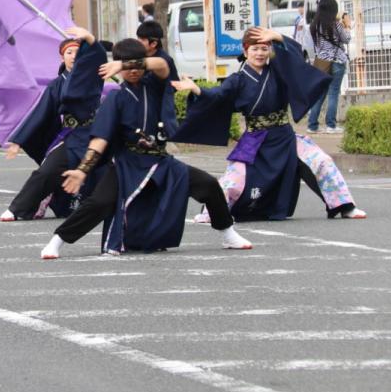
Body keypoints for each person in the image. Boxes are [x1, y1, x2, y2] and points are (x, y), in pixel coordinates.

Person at [38, 38, 253, 259]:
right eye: (124, 65)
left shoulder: (155, 86)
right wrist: (83, 170)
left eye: (136, 64)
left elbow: (162, 65)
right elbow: (100, 139)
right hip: (127, 163)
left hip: (159, 161)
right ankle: (57, 241)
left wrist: (124, 63)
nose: (132, 70)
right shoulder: (115, 98)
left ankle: (228, 233)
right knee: (99, 203)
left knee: (207, 184)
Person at [172, 27, 367, 223]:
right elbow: (218, 96)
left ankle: (344, 206)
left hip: (284, 135)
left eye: (264, 48)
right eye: (255, 49)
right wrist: (197, 89)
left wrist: (278, 37)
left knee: (321, 161)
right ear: (245, 50)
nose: (259, 53)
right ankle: (212, 212)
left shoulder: (278, 71)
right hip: (254, 139)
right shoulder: (237, 79)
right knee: (234, 180)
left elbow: (296, 58)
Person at [0, 28, 108, 221]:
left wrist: (91, 39)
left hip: (94, 134)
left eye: (78, 52)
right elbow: (40, 113)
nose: (74, 56)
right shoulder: (56, 85)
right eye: (69, 53)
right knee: (47, 171)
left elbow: (98, 56)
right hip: (71, 136)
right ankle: (18, 209)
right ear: (62, 57)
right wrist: (18, 141)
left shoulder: (93, 74)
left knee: (107, 172)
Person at [306, 0, 351, 134]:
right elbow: (346, 39)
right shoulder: (336, 24)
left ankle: (312, 125)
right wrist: (347, 25)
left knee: (320, 93)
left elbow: (314, 45)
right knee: (333, 93)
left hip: (321, 63)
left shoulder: (314, 25)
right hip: (337, 62)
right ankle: (331, 125)